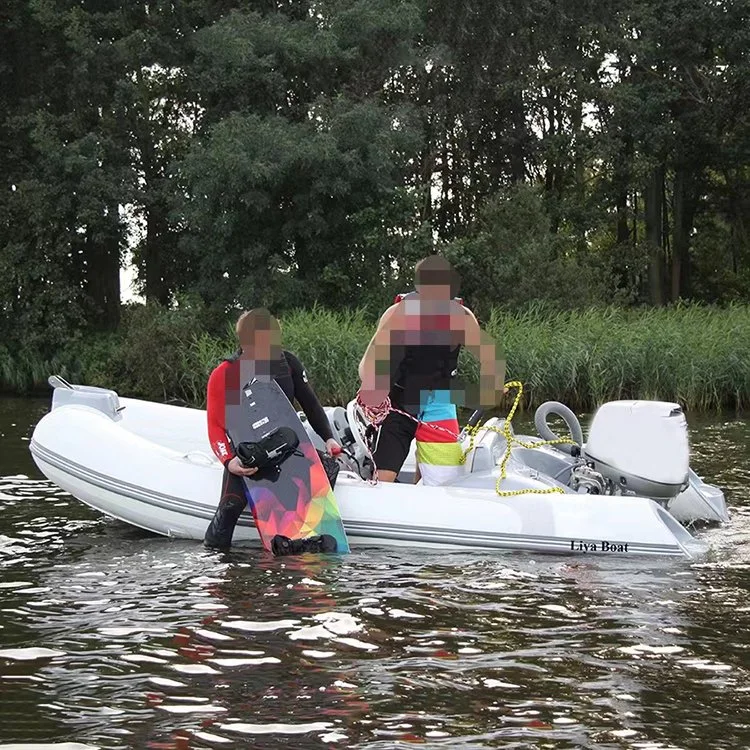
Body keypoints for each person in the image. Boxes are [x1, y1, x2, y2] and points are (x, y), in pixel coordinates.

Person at [357, 255, 506, 484]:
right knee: (383, 479)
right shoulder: (396, 313)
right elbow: (367, 364)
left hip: (439, 403)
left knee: (444, 483)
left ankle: (422, 482)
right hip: (398, 404)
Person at [203, 308, 342, 549]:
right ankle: (217, 564)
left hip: (286, 449)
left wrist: (328, 438)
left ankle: (301, 538)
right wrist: (229, 461)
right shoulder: (225, 373)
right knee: (230, 507)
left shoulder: (288, 364)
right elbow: (215, 425)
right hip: (249, 454)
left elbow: (311, 404)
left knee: (329, 468)